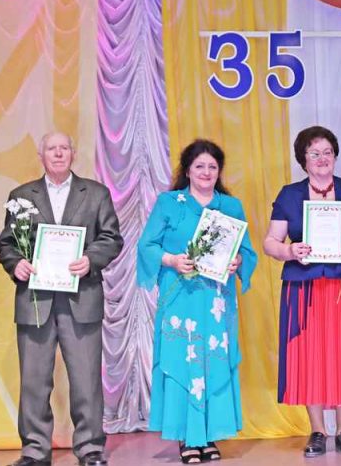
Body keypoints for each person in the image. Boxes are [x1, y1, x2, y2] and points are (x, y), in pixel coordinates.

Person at [0, 132, 123, 466]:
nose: (58, 153)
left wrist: (91, 259)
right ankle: (35, 450)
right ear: (41, 155)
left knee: (86, 379)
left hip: (82, 299)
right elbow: (6, 244)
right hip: (35, 301)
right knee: (34, 380)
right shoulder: (21, 196)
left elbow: (112, 238)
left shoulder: (96, 193)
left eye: (64, 148)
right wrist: (16, 263)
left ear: (72, 154)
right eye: (51, 149)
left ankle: (90, 448)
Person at [263, 125, 341, 458]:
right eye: (314, 153)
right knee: (309, 356)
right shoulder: (289, 194)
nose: (321, 158)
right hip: (304, 286)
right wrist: (289, 251)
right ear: (303, 158)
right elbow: (271, 242)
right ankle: (317, 431)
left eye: (327, 152)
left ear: (335, 156)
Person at [137, 139, 258, 464]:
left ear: (219, 171)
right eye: (199, 166)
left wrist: (237, 262)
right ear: (187, 170)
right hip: (179, 298)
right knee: (183, 360)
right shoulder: (169, 202)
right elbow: (147, 245)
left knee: (213, 361)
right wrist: (172, 260)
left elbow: (247, 251)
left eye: (212, 167)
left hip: (216, 301)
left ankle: (208, 435)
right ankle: (187, 437)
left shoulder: (231, 207)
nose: (206, 172)